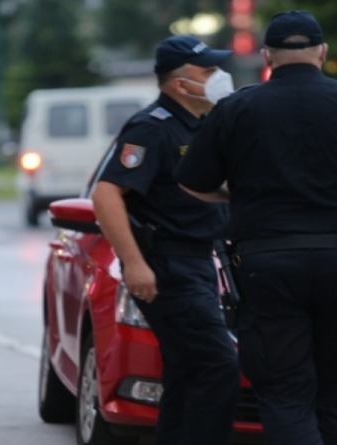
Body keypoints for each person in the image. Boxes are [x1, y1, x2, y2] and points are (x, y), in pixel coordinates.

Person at [174, 10, 337, 445]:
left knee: (285, 393)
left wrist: (233, 196)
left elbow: (191, 181)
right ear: (323, 52)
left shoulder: (238, 107)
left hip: (268, 267)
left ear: (267, 56)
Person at [91, 35, 240, 445]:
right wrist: (135, 263)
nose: (218, 77)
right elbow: (106, 194)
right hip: (169, 265)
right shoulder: (152, 128)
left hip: (196, 262)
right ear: (179, 84)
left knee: (186, 371)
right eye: (207, 71)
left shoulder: (203, 125)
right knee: (218, 366)